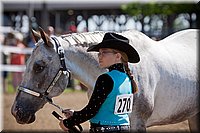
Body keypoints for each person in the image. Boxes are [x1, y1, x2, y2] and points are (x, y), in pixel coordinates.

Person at [59, 32, 140, 133]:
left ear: (118, 56)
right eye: (99, 53)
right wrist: (75, 114)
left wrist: (68, 123)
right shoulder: (128, 79)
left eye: (104, 52)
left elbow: (91, 111)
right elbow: (106, 108)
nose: (99, 56)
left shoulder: (106, 79)